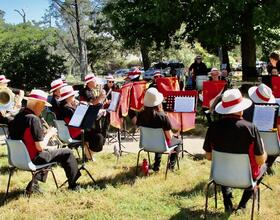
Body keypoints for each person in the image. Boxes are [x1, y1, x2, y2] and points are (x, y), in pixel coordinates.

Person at [203, 89, 267, 213]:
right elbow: (259, 161)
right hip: (246, 178)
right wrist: (264, 150)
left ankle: (228, 203)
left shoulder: (213, 127)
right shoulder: (250, 128)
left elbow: (209, 157)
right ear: (240, 108)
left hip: (220, 176)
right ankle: (242, 206)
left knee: (224, 166)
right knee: (264, 166)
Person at [8, 89, 81, 192]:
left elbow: (24, 138)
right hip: (32, 158)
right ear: (38, 104)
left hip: (18, 159)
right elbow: (40, 147)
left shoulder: (18, 116)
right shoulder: (33, 119)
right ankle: (73, 185)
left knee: (50, 152)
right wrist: (49, 134)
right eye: (43, 106)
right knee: (67, 152)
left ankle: (34, 185)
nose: (43, 109)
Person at [136, 88, 182, 172]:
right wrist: (176, 134)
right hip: (161, 145)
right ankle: (171, 167)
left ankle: (156, 165)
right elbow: (169, 136)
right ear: (158, 102)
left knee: (160, 139)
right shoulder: (162, 116)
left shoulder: (140, 114)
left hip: (146, 144)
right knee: (178, 141)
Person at [59, 85, 105, 159]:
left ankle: (88, 155)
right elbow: (77, 120)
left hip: (71, 131)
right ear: (68, 97)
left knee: (94, 132)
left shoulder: (63, 106)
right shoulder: (67, 109)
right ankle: (89, 156)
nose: (74, 97)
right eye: (73, 95)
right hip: (75, 132)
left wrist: (78, 106)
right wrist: (81, 107)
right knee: (97, 135)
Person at [243, 84, 278, 175]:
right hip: (268, 146)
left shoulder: (245, 109)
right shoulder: (272, 111)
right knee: (276, 143)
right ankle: (267, 165)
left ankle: (264, 166)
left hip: (248, 144)